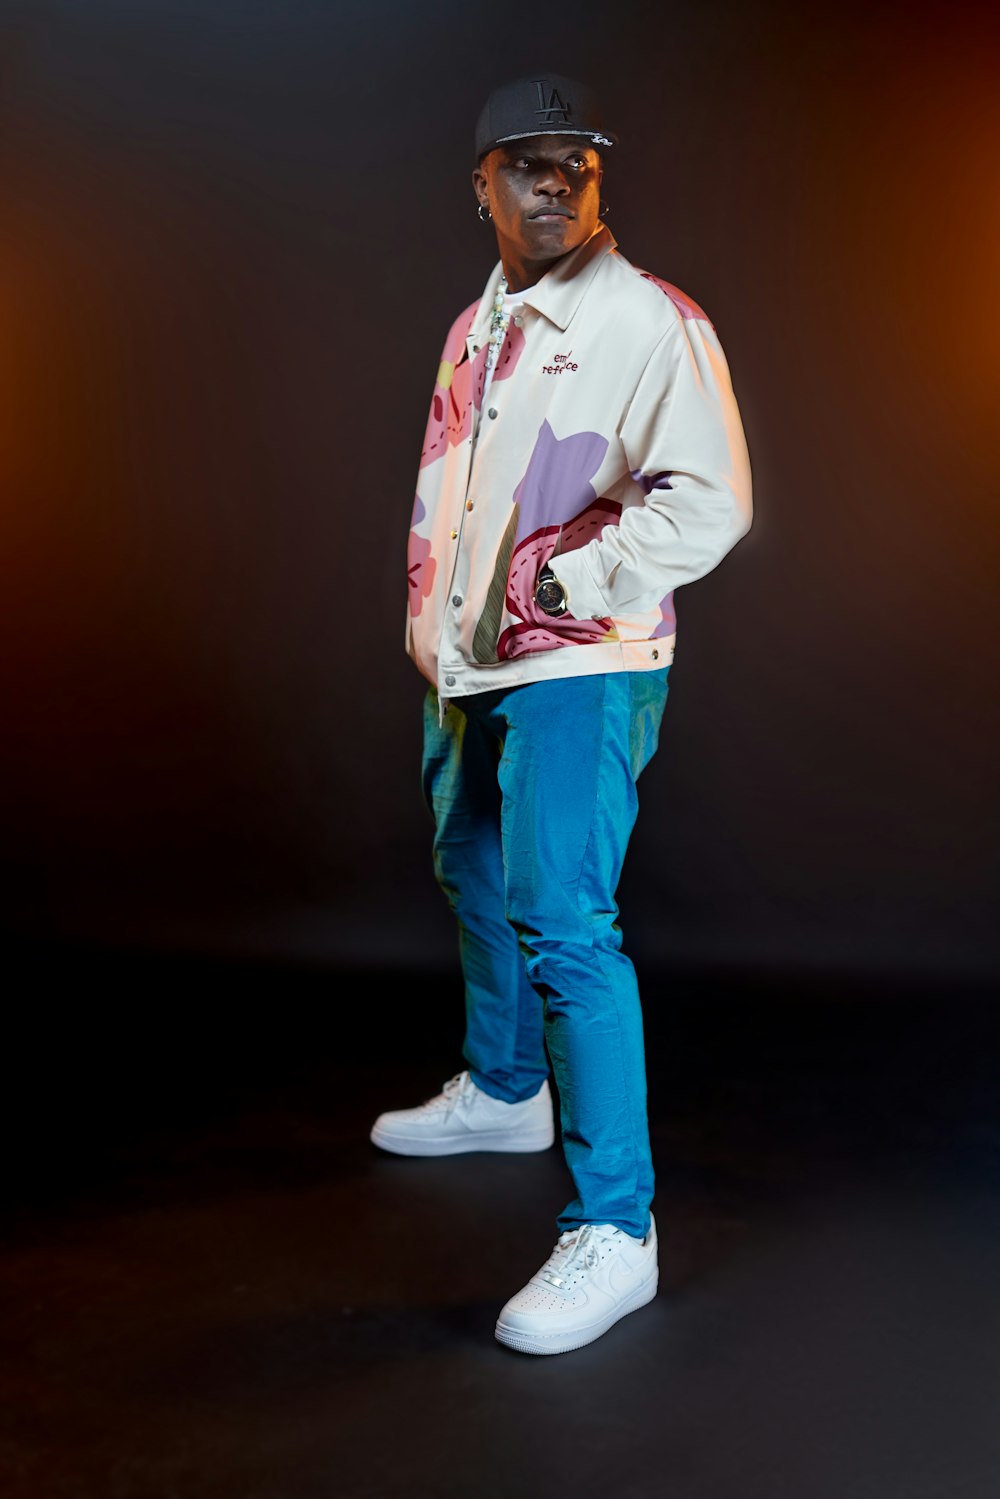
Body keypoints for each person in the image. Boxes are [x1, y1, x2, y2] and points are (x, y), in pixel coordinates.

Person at [370, 71, 753, 1356]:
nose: (551, 182)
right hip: (470, 665)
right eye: (523, 164)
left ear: (597, 179)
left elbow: (710, 502)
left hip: (583, 662)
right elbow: (450, 485)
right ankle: (503, 1085)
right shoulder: (475, 325)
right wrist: (434, 619)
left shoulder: (652, 321)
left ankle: (617, 1228)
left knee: (563, 921)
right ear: (476, 185)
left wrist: (563, 585)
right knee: (467, 859)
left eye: (573, 164)